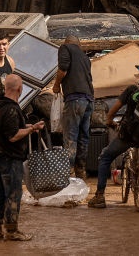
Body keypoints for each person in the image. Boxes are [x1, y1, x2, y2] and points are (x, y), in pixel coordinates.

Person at [88, 60, 139, 209]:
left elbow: (114, 109)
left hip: (130, 136)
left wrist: (109, 121)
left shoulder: (133, 89)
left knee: (105, 157)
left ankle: (100, 196)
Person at [0, 73, 44, 242]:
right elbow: (12, 135)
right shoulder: (11, 108)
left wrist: (30, 126)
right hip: (8, 158)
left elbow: (8, 128)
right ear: (19, 89)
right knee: (13, 193)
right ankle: (12, 231)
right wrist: (31, 130)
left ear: (6, 88)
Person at [49, 34, 93, 179]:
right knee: (83, 137)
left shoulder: (65, 48)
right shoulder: (85, 58)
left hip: (74, 99)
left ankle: (68, 173)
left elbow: (63, 69)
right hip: (88, 100)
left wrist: (56, 86)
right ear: (79, 45)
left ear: (67, 43)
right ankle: (81, 171)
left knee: (70, 137)